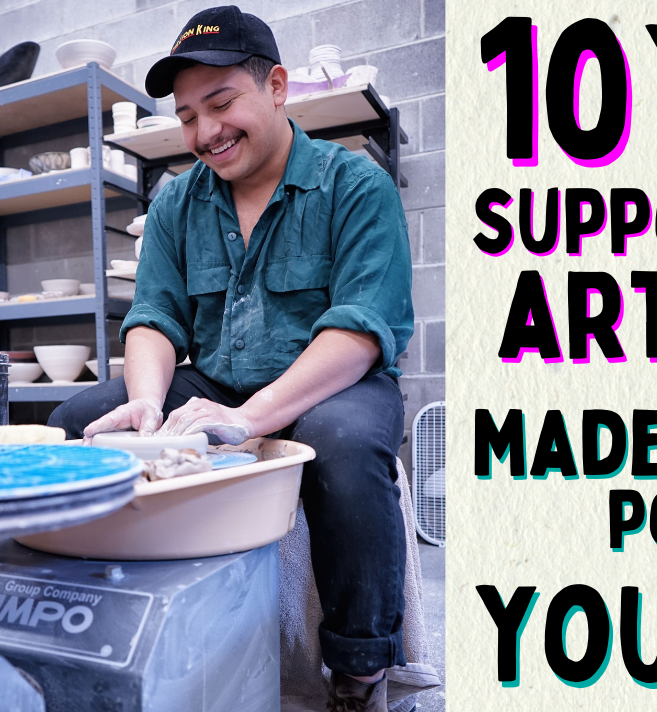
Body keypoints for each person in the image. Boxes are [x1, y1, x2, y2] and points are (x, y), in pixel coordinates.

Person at [44, 7, 415, 712]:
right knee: (79, 417)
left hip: (329, 381)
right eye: (187, 116)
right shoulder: (178, 200)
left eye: (220, 103)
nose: (205, 132)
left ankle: (360, 671)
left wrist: (248, 420)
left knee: (342, 445)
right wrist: (149, 402)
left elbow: (362, 331)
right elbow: (154, 315)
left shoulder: (353, 185)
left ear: (276, 86)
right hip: (216, 374)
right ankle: (107, 625)